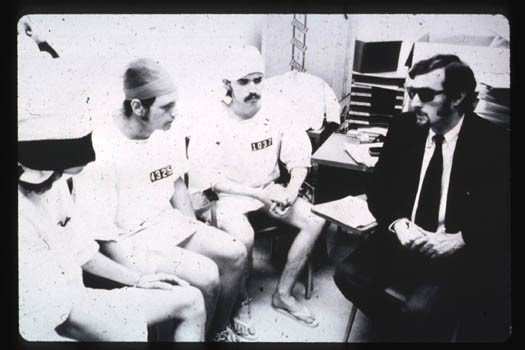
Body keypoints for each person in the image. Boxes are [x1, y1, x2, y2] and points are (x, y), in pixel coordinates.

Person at [334, 54, 510, 341]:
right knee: (347, 274)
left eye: (425, 94)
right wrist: (399, 224)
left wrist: (462, 238)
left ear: (457, 97)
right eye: (411, 92)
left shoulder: (492, 142)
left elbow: (503, 210)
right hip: (404, 237)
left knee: (421, 308)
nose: (414, 102)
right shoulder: (404, 127)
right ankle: (403, 331)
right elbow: (379, 188)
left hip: (451, 248)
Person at [73, 58, 247, 342]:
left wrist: (195, 229)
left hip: (165, 223)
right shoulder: (101, 149)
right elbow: (104, 236)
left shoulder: (167, 132)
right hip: (128, 239)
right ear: (138, 107)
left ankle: (217, 332)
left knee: (235, 251)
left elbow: (177, 183)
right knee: (206, 275)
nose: (175, 113)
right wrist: (139, 276)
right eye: (167, 107)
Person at [18, 115, 206, 342]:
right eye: (49, 174)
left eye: (61, 173)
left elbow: (83, 253)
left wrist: (138, 279)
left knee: (191, 300)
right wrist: (123, 329)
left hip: (80, 301)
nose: (55, 180)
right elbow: (54, 321)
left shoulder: (55, 187)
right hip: (47, 324)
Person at [188, 46, 326, 339]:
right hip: (231, 196)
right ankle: (241, 300)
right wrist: (257, 195)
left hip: (269, 187)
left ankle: (284, 294)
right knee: (244, 237)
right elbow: (211, 179)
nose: (253, 89)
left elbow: (299, 158)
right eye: (244, 82)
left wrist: (290, 190)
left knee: (315, 220)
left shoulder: (278, 109)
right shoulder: (210, 119)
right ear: (228, 85)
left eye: (258, 80)